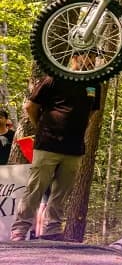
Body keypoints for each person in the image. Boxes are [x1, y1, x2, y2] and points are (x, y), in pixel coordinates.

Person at [9, 53, 102, 241]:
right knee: (36, 187)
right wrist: (40, 126)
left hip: (74, 148)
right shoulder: (54, 78)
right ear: (74, 57)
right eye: (87, 56)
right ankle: (19, 229)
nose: (90, 61)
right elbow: (30, 107)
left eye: (93, 57)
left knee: (62, 192)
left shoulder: (94, 84)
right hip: (48, 144)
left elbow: (92, 111)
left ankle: (52, 229)